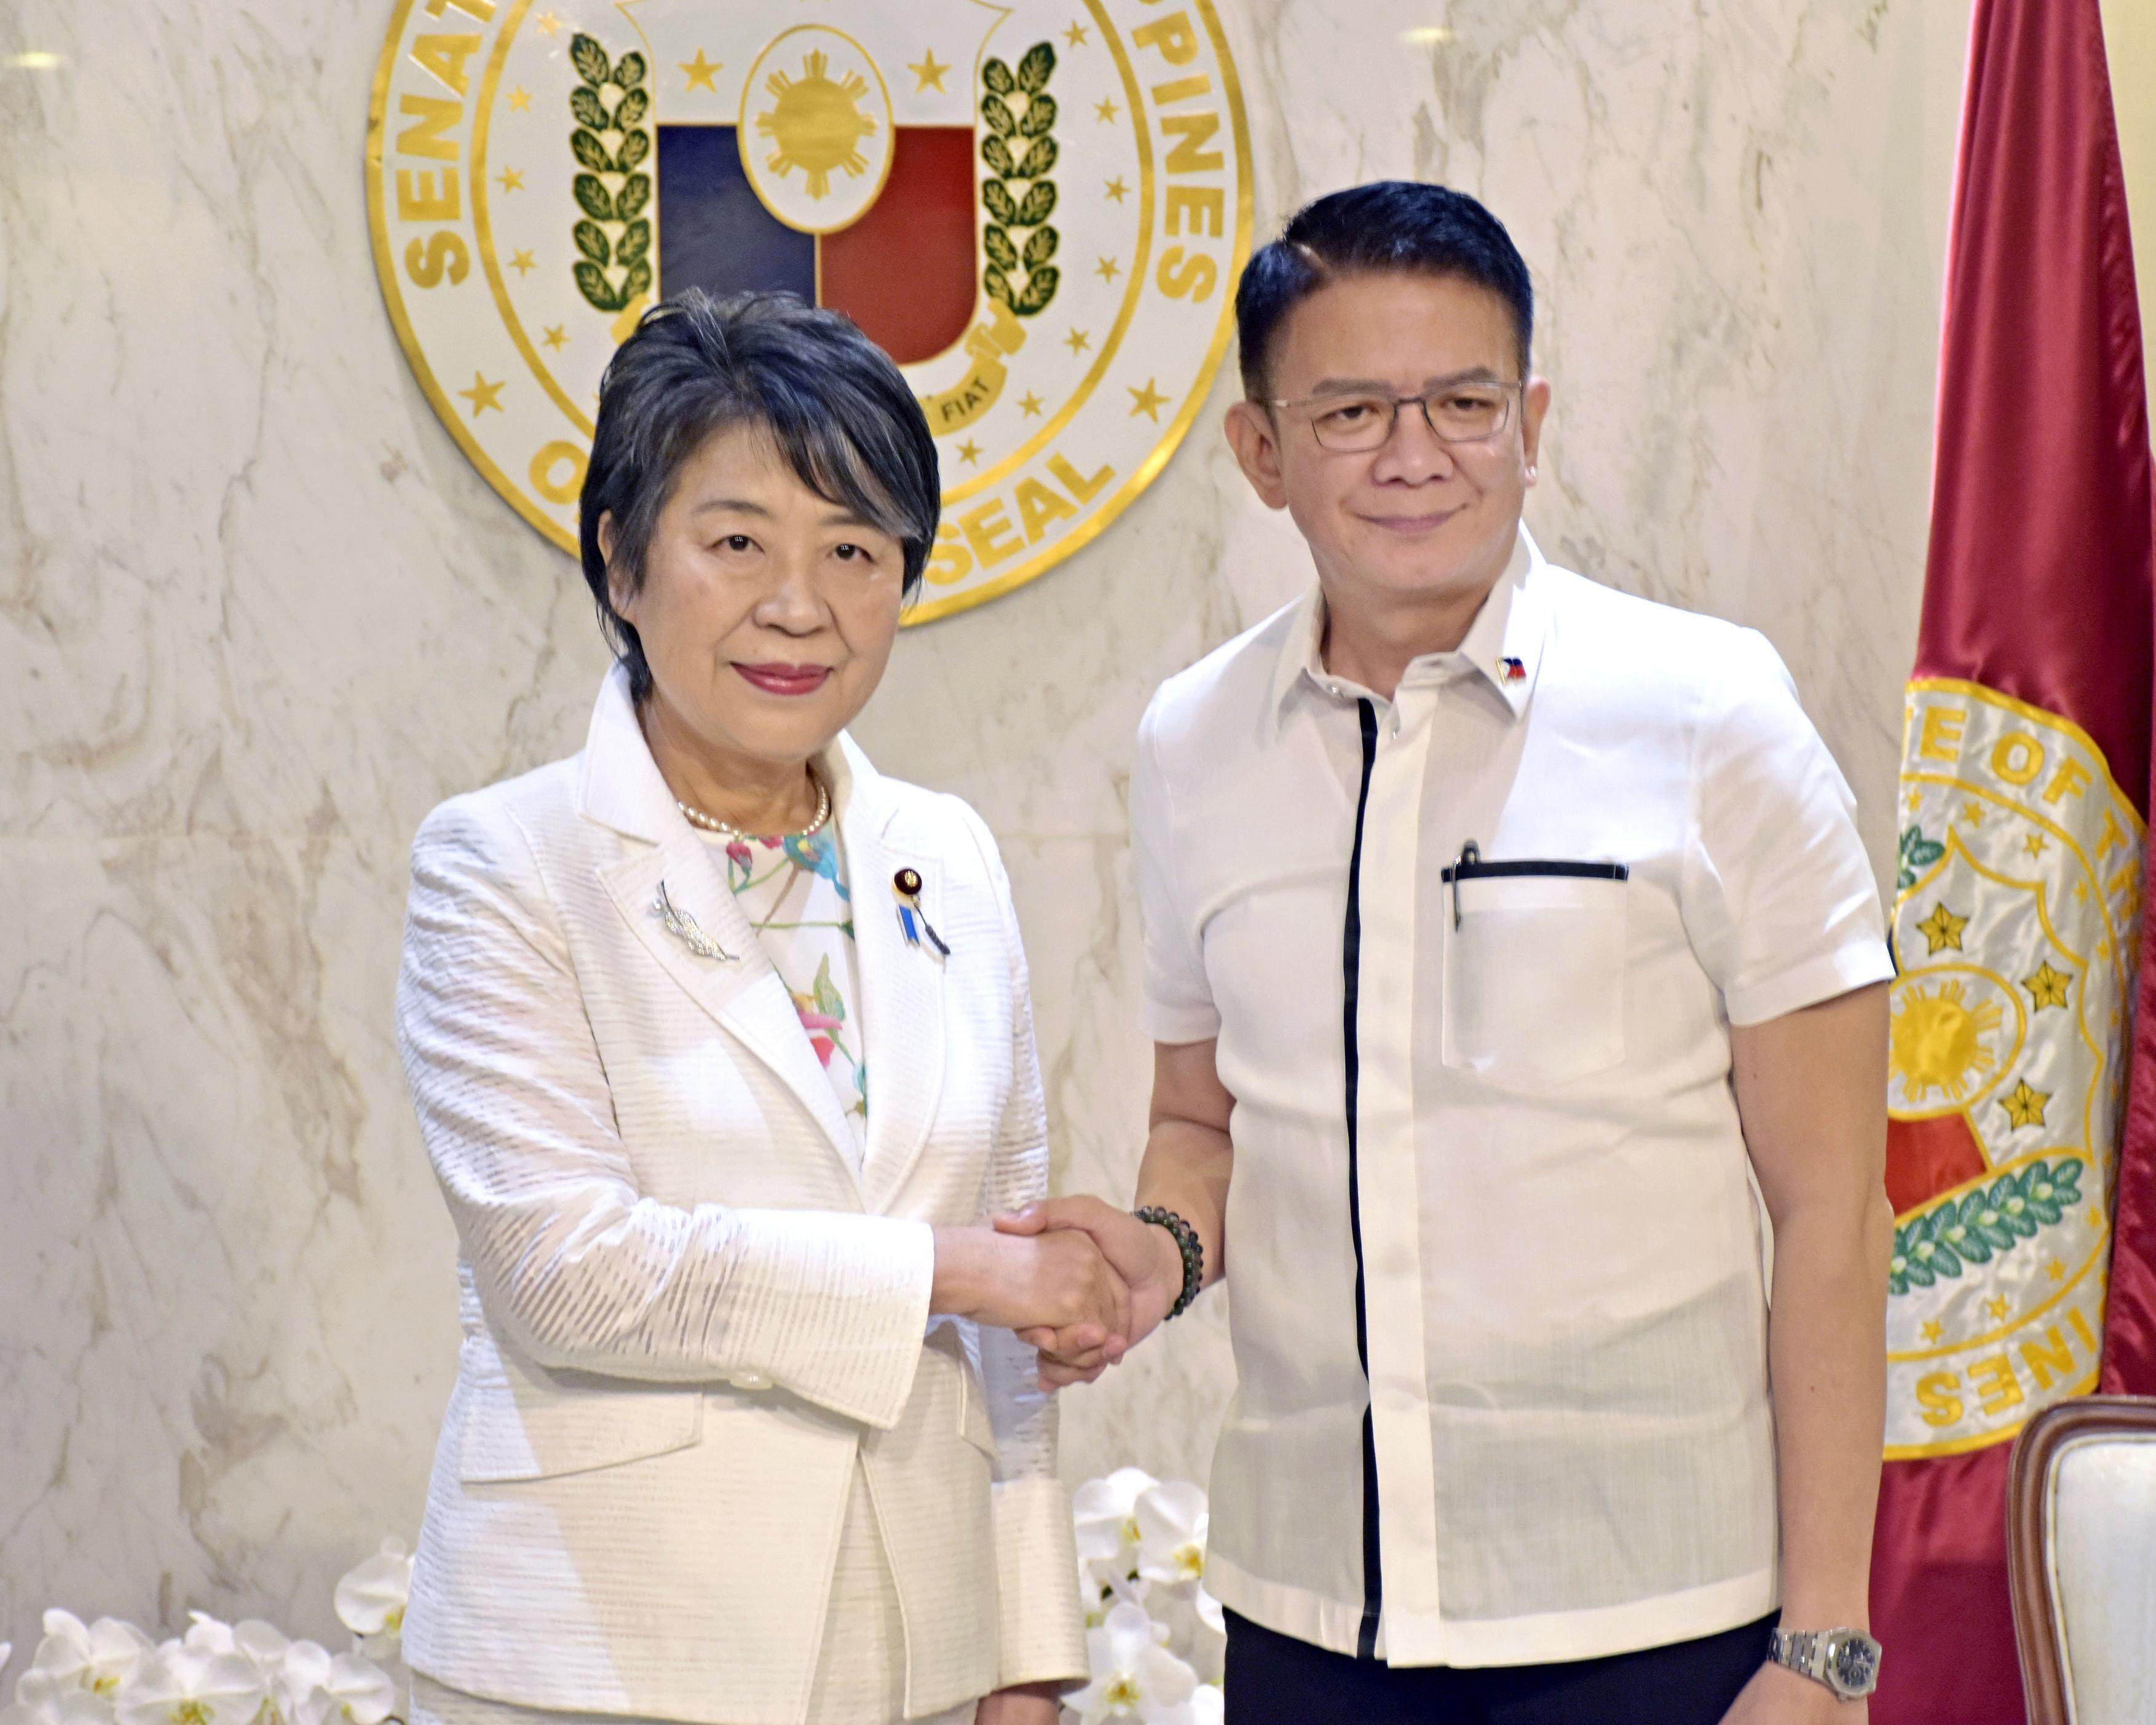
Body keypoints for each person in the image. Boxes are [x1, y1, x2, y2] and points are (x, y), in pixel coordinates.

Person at [1003, 182, 1896, 1723]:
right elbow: (1205, 1123)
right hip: (1308, 1618)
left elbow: (1834, 1207)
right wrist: (1161, 1246)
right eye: (1351, 410)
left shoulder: (1711, 713)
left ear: (1532, 417)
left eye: (1465, 400)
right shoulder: (1193, 742)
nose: (1416, 453)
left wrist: (1822, 1650)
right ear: (1261, 452)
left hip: (1657, 1617)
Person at [393, 290, 1103, 1725]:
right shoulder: (503, 862)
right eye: (736, 543)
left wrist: (1026, 1655)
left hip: (917, 1653)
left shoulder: (945, 851)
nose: (801, 605)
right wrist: (945, 1270)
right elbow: (571, 1272)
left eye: (854, 549)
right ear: (622, 557)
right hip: (602, 1657)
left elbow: (1014, 1296)